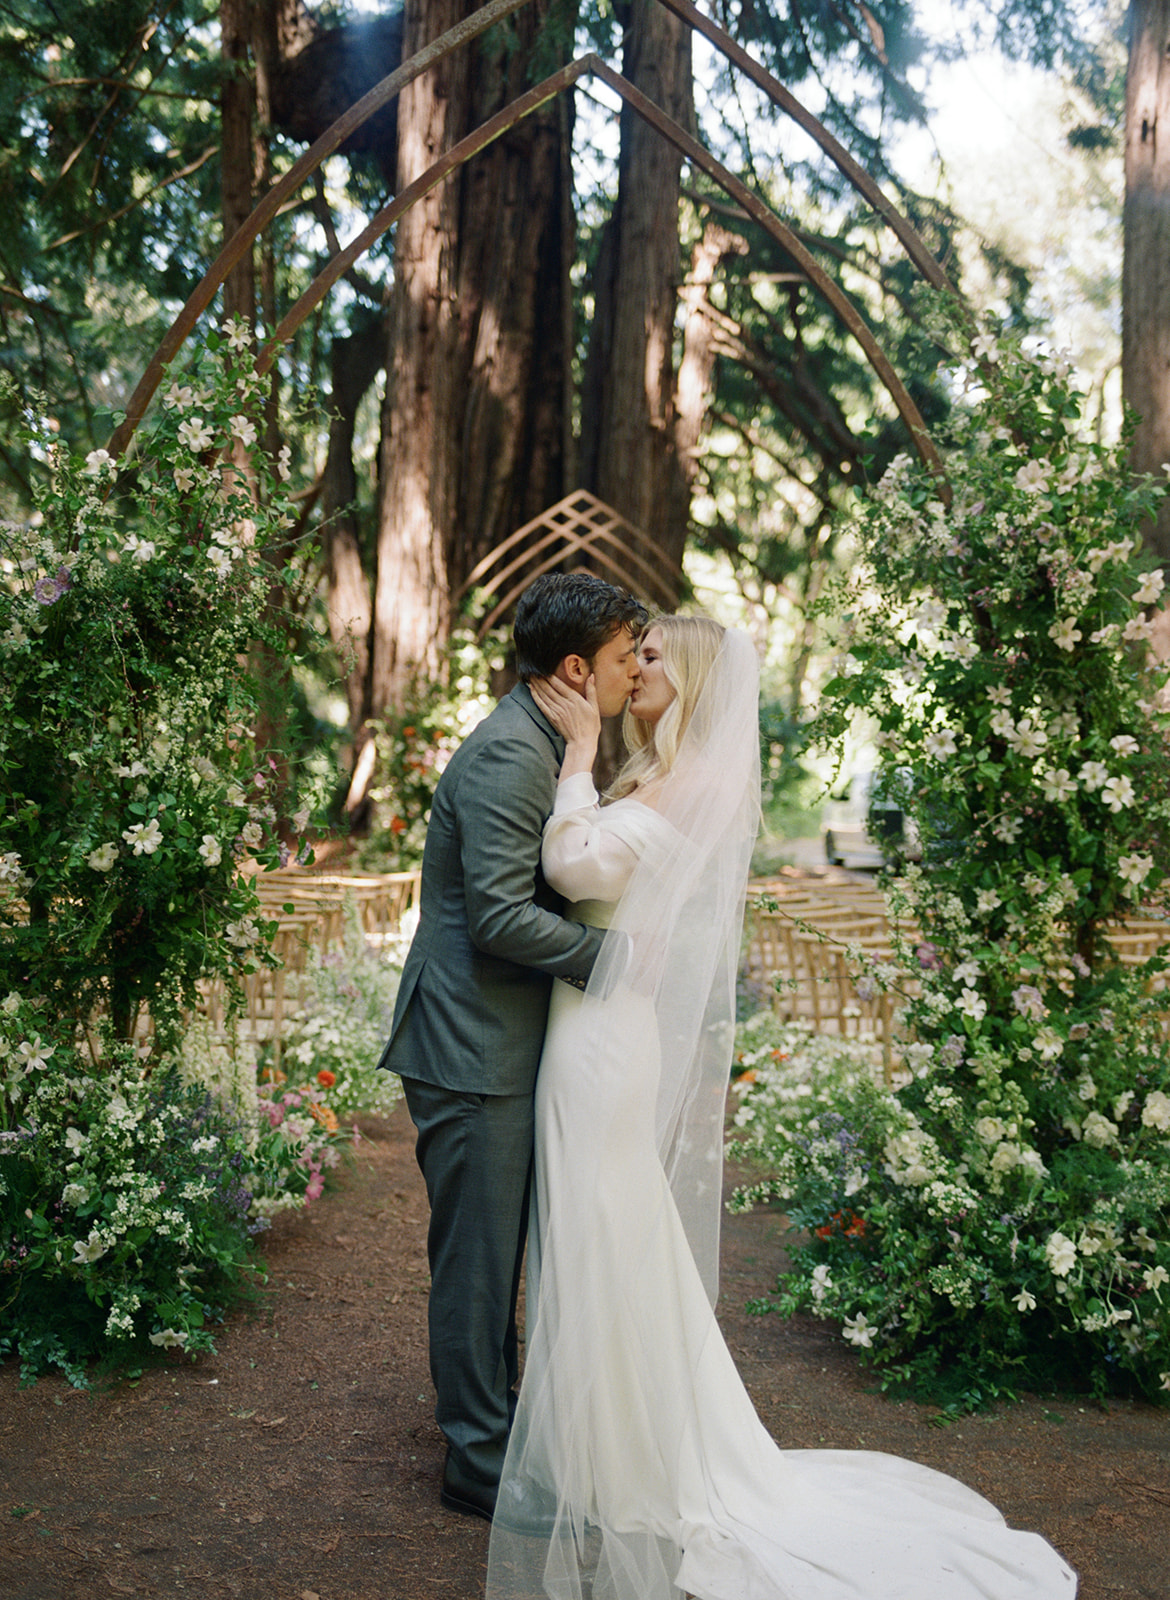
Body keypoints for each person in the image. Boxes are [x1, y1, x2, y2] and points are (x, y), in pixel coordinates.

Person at [486, 614, 1076, 1600]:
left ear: (701, 681)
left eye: (655, 657)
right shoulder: (662, 773)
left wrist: (579, 755)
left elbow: (574, 871)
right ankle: (618, 1444)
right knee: (607, 1227)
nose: (638, 667)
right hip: (590, 1024)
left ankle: (639, 1462)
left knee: (603, 1220)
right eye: (635, 654)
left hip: (603, 1036)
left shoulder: (693, 780)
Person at [378, 572, 648, 1523]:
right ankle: (477, 1464)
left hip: (498, 1038)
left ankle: (495, 1427)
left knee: (497, 1255)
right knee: (478, 1262)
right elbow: (496, 916)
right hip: (469, 1045)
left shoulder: (545, 741)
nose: (633, 676)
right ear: (577, 666)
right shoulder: (507, 756)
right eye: (625, 660)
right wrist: (618, 960)